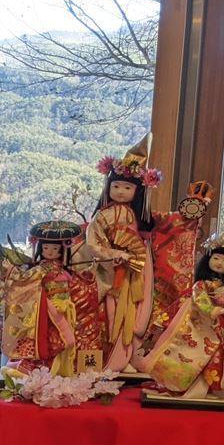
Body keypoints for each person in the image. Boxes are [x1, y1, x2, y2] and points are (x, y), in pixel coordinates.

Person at [137, 237, 224, 397]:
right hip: (199, 321)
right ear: (208, 259)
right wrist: (212, 310)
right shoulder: (203, 284)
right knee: (189, 352)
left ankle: (212, 387)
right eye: (216, 258)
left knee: (217, 355)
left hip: (221, 323)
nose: (219, 263)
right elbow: (199, 297)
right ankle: (184, 384)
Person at [84, 141, 160, 371]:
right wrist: (114, 254)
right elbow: (93, 243)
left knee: (136, 309)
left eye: (127, 187)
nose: (120, 191)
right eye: (116, 186)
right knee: (113, 310)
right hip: (112, 267)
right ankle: (115, 358)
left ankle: (131, 355)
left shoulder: (138, 216)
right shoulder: (102, 215)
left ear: (138, 191)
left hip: (137, 265)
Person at [1, 221, 83, 376]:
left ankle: (58, 370)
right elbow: (24, 279)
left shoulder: (62, 268)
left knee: (64, 340)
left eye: (54, 248)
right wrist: (10, 270)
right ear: (40, 248)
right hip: (49, 309)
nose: (50, 252)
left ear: (62, 249)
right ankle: (36, 367)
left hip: (65, 307)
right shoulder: (42, 268)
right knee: (56, 340)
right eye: (46, 248)